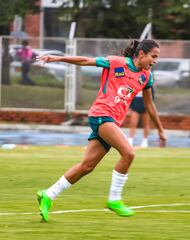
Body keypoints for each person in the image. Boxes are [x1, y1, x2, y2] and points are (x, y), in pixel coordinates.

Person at [36, 39, 166, 222]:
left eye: (157, 58)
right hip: (101, 114)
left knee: (87, 166)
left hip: (111, 122)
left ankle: (48, 194)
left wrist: (160, 130)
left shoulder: (146, 77)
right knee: (129, 153)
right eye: (153, 56)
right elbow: (84, 61)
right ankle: (114, 200)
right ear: (142, 54)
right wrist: (57, 58)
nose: (155, 61)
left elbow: (150, 105)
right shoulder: (116, 62)